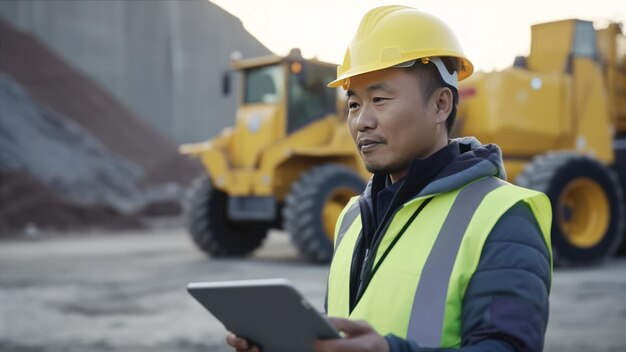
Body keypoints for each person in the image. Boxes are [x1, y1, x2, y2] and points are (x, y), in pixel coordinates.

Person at [227, 5, 552, 352]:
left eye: (379, 99)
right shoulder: (351, 217)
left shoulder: (503, 215)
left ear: (441, 105)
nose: (361, 122)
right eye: (353, 105)